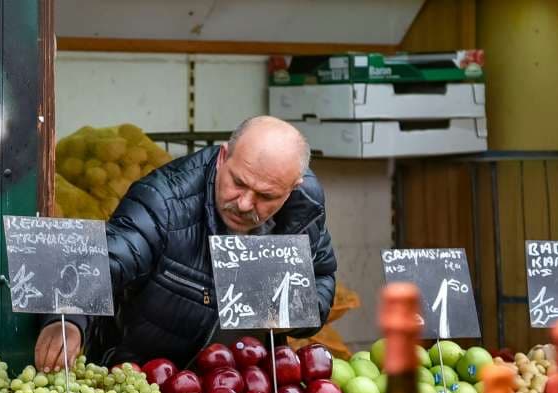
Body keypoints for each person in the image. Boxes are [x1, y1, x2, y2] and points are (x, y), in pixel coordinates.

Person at [34, 115, 337, 371]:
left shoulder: (304, 204)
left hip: (243, 388)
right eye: (239, 183)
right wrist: (69, 317)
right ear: (223, 157)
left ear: (291, 188)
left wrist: (289, 314)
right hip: (155, 377)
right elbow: (108, 258)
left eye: (266, 196)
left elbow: (321, 277)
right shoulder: (165, 199)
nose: (245, 204)